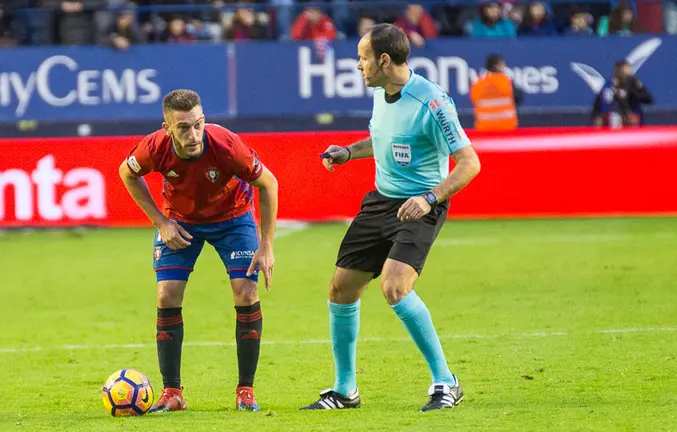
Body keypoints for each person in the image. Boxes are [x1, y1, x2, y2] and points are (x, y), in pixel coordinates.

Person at [301, 24, 481, 412]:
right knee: (341, 290)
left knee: (394, 287)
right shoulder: (382, 93)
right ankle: (345, 390)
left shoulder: (431, 101)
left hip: (420, 205)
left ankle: (446, 381)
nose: (358, 65)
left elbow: (470, 163)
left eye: (363, 58)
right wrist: (348, 152)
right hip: (381, 201)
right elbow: (382, 141)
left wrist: (430, 198)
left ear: (384, 60)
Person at [118, 89, 278, 413]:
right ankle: (172, 393)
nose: (193, 135)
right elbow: (127, 173)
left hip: (233, 219)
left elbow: (269, 183)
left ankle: (245, 391)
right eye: (183, 128)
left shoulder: (226, 145)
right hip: (180, 221)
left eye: (197, 124)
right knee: (166, 296)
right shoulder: (154, 147)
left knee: (246, 293)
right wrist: (161, 222)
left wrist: (267, 246)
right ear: (167, 128)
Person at [592, 61, 653, 128]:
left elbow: (648, 99)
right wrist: (597, 117)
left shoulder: (633, 83)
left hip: (630, 122)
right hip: (614, 122)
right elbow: (598, 104)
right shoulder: (608, 85)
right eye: (627, 70)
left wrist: (634, 91)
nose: (630, 73)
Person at [469, 53, 522, 132]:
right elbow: (519, 98)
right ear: (497, 65)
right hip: (507, 128)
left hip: (484, 129)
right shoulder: (507, 82)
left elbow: (474, 101)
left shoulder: (477, 84)